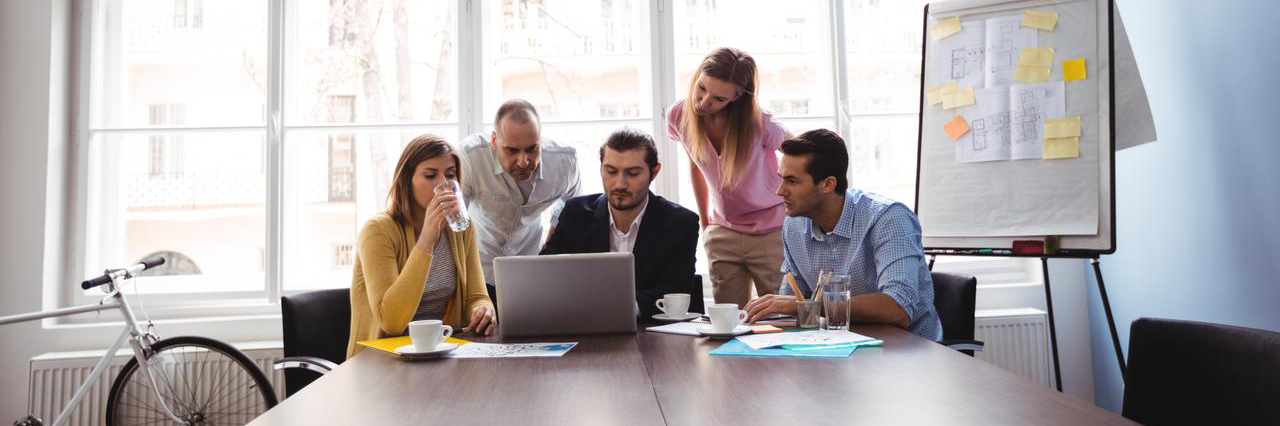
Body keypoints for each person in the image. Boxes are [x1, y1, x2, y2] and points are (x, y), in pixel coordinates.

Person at [744, 129, 942, 341]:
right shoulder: (794, 225)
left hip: (908, 352)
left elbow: (898, 308)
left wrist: (803, 306)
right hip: (841, 348)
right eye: (781, 179)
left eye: (792, 181)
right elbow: (791, 303)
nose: (779, 191)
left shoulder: (888, 219)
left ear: (828, 184)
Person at [347, 135, 497, 359]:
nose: (443, 184)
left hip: (438, 354)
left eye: (450, 174)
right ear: (407, 180)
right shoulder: (377, 231)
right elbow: (392, 321)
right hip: (381, 363)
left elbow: (476, 296)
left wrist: (483, 310)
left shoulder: (462, 229)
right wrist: (426, 238)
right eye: (430, 175)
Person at [666, 47, 789, 307]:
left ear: (737, 98)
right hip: (723, 232)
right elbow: (696, 164)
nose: (704, 102)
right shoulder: (679, 116)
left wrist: (798, 220)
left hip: (772, 232)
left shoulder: (761, 124)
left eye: (718, 98)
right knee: (727, 324)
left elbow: (802, 159)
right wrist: (705, 225)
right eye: (702, 88)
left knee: (782, 320)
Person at [541, 127, 700, 318]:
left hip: (652, 334)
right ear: (601, 168)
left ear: (654, 171)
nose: (619, 184)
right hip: (584, 329)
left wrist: (625, 309)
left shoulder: (680, 223)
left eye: (632, 173)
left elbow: (676, 289)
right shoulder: (575, 213)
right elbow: (546, 274)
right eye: (611, 171)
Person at [457, 99, 581, 304]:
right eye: (512, 151)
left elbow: (572, 210)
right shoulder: (470, 158)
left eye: (532, 149)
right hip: (478, 273)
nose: (524, 162)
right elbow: (453, 223)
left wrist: (551, 245)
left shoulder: (565, 162)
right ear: (494, 141)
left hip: (532, 270)